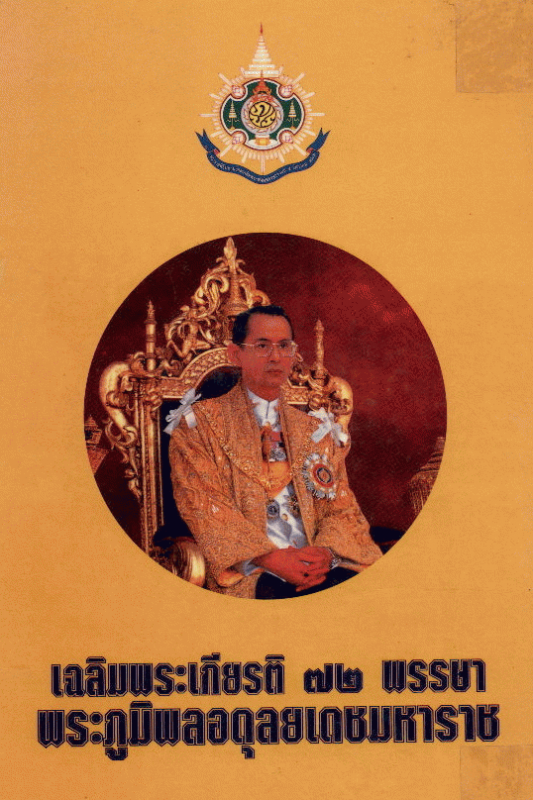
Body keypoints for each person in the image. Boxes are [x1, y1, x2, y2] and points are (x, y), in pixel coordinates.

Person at [168, 305, 382, 599]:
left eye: (284, 346)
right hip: (251, 574)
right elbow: (205, 507)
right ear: (235, 354)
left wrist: (325, 553)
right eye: (262, 346)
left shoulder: (315, 431)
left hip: (318, 570)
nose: (275, 357)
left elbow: (340, 507)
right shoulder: (197, 425)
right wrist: (270, 558)